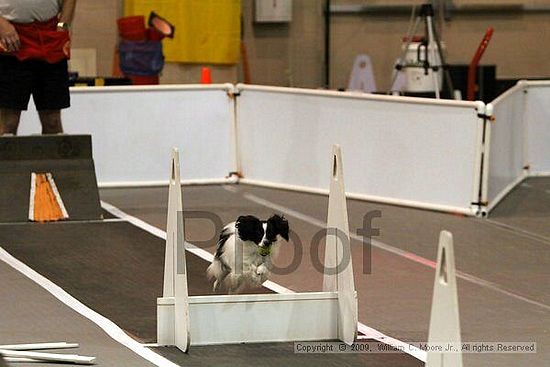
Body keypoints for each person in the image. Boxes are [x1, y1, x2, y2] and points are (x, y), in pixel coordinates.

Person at [0, 0, 76, 135]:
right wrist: (1, 25)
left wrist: (63, 26)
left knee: (52, 121)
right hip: (8, 39)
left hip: (50, 38)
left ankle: (52, 156)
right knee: (8, 123)